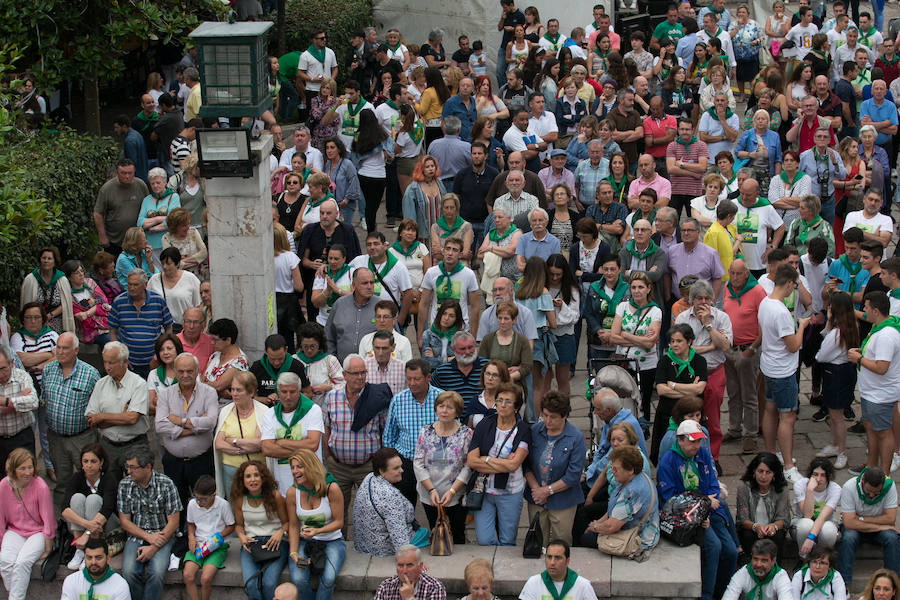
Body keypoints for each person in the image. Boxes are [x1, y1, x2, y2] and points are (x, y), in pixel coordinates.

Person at [658, 420, 737, 600]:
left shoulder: (701, 453)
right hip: (688, 517)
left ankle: (723, 591)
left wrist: (707, 504)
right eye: (692, 441)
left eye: (698, 441)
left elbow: (712, 484)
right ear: (680, 440)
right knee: (714, 546)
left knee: (731, 552)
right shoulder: (667, 462)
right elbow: (670, 500)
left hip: (708, 509)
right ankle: (706, 595)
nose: (696, 445)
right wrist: (702, 506)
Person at [759, 264, 809, 484]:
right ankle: (788, 465)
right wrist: (802, 327)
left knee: (770, 410)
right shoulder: (780, 311)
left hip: (768, 365)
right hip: (783, 371)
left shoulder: (765, 303)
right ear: (789, 283)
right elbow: (793, 345)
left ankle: (771, 453)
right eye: (794, 285)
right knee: (787, 416)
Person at [675, 280, 733, 463]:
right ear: (692, 300)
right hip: (689, 374)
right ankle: (688, 453)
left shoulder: (722, 318)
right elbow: (680, 350)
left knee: (713, 418)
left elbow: (724, 346)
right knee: (689, 415)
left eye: (707, 298)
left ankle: (712, 458)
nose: (703, 302)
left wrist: (708, 325)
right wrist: (709, 347)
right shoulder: (682, 319)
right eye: (699, 298)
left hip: (714, 372)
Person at [466, 382, 531, 546]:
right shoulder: (484, 424)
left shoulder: (522, 430)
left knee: (507, 541)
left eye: (508, 401)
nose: (502, 405)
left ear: (516, 407)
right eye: (500, 400)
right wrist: (500, 462)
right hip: (484, 490)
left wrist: (485, 459)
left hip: (509, 492)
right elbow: (472, 460)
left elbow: (513, 466)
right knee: (484, 539)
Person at [155, 352, 218, 516]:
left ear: (197, 371)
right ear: (175, 372)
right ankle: (182, 534)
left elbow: (210, 422)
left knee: (206, 502)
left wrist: (180, 421)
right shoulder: (165, 394)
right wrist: (194, 426)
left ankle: (206, 535)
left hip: (201, 461)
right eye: (181, 371)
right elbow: (160, 426)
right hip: (173, 461)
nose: (185, 375)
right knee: (176, 503)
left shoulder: (209, 392)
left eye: (190, 371)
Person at [117, 447, 181, 600]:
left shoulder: (166, 484)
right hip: (137, 534)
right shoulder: (125, 485)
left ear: (147, 467)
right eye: (127, 467)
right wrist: (147, 537)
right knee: (128, 572)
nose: (128, 472)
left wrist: (154, 546)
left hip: (163, 534)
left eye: (133, 467)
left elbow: (173, 523)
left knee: (157, 572)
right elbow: (124, 521)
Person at [523, 391, 585, 546]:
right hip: (536, 498)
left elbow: (573, 474)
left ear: (564, 416)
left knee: (561, 542)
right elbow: (525, 463)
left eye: (553, 417)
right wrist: (537, 489)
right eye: (545, 415)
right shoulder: (534, 431)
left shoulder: (575, 438)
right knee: (537, 541)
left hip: (563, 501)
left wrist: (547, 491)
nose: (547, 421)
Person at [849, 291, 900, 473]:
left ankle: (884, 474)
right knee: (871, 428)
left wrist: (859, 359)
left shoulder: (886, 335)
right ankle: (871, 466)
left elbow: (881, 367)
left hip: (880, 394)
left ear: (876, 311)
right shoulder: (879, 328)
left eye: (866, 307)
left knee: (884, 432)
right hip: (872, 392)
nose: (863, 310)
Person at [284, 449, 345, 600]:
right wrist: (293, 552)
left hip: (332, 541)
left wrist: (318, 531)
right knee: (298, 579)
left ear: (311, 466)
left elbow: (339, 522)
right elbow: (293, 525)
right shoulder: (292, 492)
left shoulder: (331, 488)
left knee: (329, 578)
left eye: (299, 466)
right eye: (292, 467)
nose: (294, 471)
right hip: (305, 541)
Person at [413, 390, 472, 545]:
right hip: (429, 493)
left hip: (456, 494)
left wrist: (452, 491)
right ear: (436, 408)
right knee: (437, 533)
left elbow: (468, 465)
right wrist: (431, 490)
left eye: (450, 407)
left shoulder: (466, 433)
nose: (444, 410)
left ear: (457, 411)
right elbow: (418, 463)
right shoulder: (425, 431)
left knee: (458, 534)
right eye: (441, 406)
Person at [85, 342, 150, 479]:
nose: (107, 367)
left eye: (111, 363)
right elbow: (91, 420)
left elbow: (132, 419)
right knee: (110, 488)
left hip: (135, 445)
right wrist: (122, 417)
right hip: (108, 446)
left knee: (136, 486)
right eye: (105, 362)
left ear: (124, 362)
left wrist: (102, 417)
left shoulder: (139, 384)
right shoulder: (100, 384)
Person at [382, 359, 442, 506]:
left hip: (434, 465)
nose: (412, 383)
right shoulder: (398, 400)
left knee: (436, 510)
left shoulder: (442, 399)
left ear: (428, 377)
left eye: (417, 379)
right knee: (404, 511)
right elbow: (389, 436)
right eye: (409, 378)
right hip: (406, 464)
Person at [0, 448, 55, 600]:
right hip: (14, 530)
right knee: (5, 562)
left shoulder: (40, 486)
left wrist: (48, 543)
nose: (27, 472)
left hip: (38, 532)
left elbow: (48, 517)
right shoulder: (4, 485)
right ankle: (16, 596)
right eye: (22, 468)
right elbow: (0, 518)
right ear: (13, 469)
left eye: (30, 467)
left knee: (22, 563)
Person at [230, 460, 290, 600]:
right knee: (251, 584)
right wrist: (241, 536)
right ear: (242, 480)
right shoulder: (239, 499)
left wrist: (280, 532)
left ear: (263, 477)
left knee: (269, 584)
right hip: (251, 544)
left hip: (275, 543)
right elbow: (238, 525)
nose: (253, 480)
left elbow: (287, 523)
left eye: (256, 475)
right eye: (248, 476)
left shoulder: (275, 496)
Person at [652, 323, 709, 465]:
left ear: (689, 341)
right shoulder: (665, 361)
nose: (674, 345)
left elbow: (700, 389)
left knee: (697, 452)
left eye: (679, 341)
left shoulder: (699, 361)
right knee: (666, 454)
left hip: (693, 415)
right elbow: (661, 390)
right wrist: (690, 390)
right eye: (672, 341)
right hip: (668, 414)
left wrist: (673, 385)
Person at [813, 292, 858, 470]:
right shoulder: (850, 325)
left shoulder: (837, 334)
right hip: (845, 372)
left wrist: (829, 323)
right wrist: (830, 321)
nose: (828, 308)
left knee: (837, 416)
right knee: (834, 413)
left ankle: (842, 451)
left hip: (836, 374)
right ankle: (833, 444)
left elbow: (821, 355)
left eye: (831, 306)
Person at [610, 272, 662, 423]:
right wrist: (640, 340)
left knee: (644, 400)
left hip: (647, 364)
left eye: (640, 287)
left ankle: (643, 431)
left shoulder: (655, 311)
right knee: (623, 399)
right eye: (633, 287)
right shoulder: (622, 307)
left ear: (648, 289)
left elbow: (650, 344)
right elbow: (613, 337)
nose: (637, 291)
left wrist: (626, 335)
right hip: (624, 361)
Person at [260, 372, 324, 493]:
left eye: (293, 392)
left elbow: (313, 445)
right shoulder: (270, 414)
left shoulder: (313, 410)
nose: (288, 396)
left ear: (299, 391)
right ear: (278, 392)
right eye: (284, 392)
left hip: (310, 482)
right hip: (282, 485)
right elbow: (267, 449)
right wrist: (304, 452)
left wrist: (281, 442)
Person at [837, 466, 900, 588]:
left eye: (876, 493)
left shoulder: (890, 486)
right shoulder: (849, 487)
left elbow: (890, 518)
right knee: (848, 538)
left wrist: (859, 519)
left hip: (873, 528)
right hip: (857, 529)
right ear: (862, 481)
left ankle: (893, 585)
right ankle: (843, 586)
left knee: (892, 538)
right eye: (868, 491)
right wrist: (880, 526)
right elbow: (849, 523)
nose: (871, 495)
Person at [353, 448, 422, 556]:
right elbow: (400, 539)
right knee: (425, 534)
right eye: (396, 468)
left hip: (363, 544)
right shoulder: (391, 496)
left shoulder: (369, 477)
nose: (402, 470)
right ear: (381, 471)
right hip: (383, 549)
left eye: (401, 466)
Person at [108, 269, 173, 379]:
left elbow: (168, 327)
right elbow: (112, 330)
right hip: (129, 363)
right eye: (129, 284)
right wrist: (120, 356)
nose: (132, 288)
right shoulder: (119, 302)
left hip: (154, 361)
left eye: (136, 285)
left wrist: (160, 355)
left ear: (145, 285)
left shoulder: (157, 301)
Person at [417, 236, 480, 346]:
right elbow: (423, 304)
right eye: (447, 249)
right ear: (443, 251)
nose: (450, 253)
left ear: (460, 254)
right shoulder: (431, 272)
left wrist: (473, 337)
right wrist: (420, 336)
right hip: (436, 331)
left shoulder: (468, 274)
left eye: (454, 250)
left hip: (460, 331)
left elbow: (475, 307)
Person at [213, 371, 266, 498]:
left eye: (239, 390)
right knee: (234, 508)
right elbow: (218, 443)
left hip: (257, 471)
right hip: (231, 470)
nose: (234, 394)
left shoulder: (264, 412)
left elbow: (261, 443)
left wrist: (234, 441)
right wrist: (242, 450)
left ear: (251, 392)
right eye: (232, 389)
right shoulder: (225, 411)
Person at [182, 475, 234, 600]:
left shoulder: (223, 505)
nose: (199, 502)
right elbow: (190, 523)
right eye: (197, 498)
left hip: (218, 545)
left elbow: (231, 526)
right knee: (187, 575)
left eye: (203, 499)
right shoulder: (192, 504)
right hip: (198, 542)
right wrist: (191, 537)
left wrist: (217, 537)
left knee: (205, 578)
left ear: (214, 495)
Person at [735, 452, 790, 562]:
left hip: (772, 529)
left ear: (774, 473)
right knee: (747, 535)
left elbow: (783, 518)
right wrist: (756, 527)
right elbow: (742, 518)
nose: (763, 476)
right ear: (754, 471)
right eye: (760, 471)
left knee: (778, 536)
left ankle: (775, 567)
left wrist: (773, 526)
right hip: (751, 528)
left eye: (768, 472)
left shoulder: (782, 489)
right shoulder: (744, 487)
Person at [477, 303, 533, 403]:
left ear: (514, 320)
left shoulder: (522, 341)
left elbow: (527, 366)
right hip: (491, 382)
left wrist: (511, 376)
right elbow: (481, 362)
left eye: (506, 319)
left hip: (513, 384)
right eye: (500, 318)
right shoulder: (488, 339)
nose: (502, 322)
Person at [94, 158, 150, 257]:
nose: (127, 176)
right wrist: (102, 236)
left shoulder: (141, 185)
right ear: (117, 173)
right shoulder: (107, 189)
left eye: (130, 173)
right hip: (114, 241)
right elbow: (98, 213)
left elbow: (149, 206)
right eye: (123, 173)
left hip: (137, 240)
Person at [792, 457, 842, 559]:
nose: (818, 479)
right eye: (815, 474)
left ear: (829, 476)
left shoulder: (835, 489)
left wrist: (811, 537)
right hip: (801, 525)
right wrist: (810, 490)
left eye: (823, 475)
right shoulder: (800, 485)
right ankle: (804, 560)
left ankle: (822, 560)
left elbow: (823, 517)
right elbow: (807, 515)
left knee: (828, 529)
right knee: (806, 524)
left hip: (825, 524)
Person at [20, 246, 74, 334]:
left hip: (56, 319)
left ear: (54, 261)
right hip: (35, 320)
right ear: (40, 259)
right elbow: (27, 306)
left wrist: (49, 316)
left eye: (49, 258)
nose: (46, 261)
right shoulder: (30, 279)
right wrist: (42, 320)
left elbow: (66, 303)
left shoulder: (62, 280)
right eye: (44, 258)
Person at [60, 537, 131, 600]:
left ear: (108, 558)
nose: (93, 562)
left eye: (98, 558)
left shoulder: (120, 585)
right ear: (84, 558)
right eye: (89, 558)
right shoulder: (71, 581)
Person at [147, 246, 200, 330]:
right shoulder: (154, 280)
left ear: (177, 263)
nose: (164, 267)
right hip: (161, 329)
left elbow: (198, 305)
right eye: (162, 263)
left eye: (168, 263)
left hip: (185, 329)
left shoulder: (191, 279)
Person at [249, 334, 310, 407]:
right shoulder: (257, 367)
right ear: (265, 351)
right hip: (263, 410)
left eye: (280, 358)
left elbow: (308, 393)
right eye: (272, 359)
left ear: (286, 350)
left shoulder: (297, 366)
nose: (276, 362)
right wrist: (265, 400)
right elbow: (247, 394)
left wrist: (289, 398)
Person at [721, 539, 792, 600]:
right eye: (755, 559)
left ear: (773, 561)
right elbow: (729, 596)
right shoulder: (744, 572)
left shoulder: (781, 576)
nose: (758, 564)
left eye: (764, 560)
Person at [372, 544, 447, 600]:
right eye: (400, 565)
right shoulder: (386, 587)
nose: (404, 571)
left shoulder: (434, 588)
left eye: (409, 565)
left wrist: (409, 598)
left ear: (420, 566)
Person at [203, 318, 249, 403]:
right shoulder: (215, 355)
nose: (212, 343)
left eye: (215, 340)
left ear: (228, 340)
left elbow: (218, 386)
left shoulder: (239, 362)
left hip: (226, 409)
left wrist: (197, 385)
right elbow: (204, 378)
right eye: (211, 339)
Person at [430, 194, 474, 267]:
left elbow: (466, 253)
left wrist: (442, 251)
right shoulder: (435, 227)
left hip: (461, 265)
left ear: (456, 208)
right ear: (442, 209)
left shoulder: (466, 226)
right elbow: (437, 255)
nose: (449, 210)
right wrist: (459, 254)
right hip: (441, 265)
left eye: (452, 207)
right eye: (446, 208)